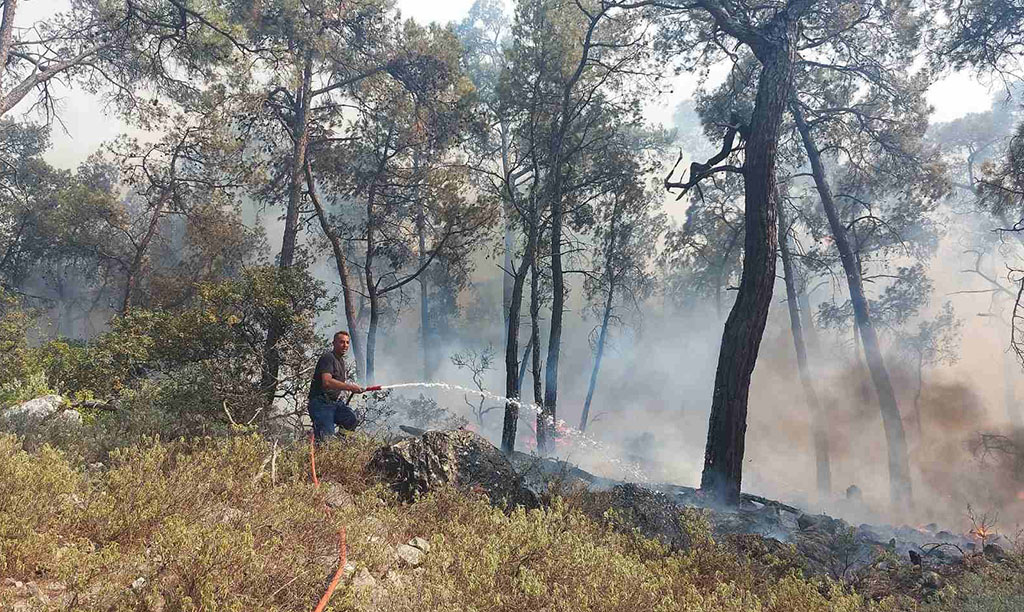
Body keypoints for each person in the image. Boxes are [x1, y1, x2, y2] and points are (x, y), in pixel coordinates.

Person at [308, 331, 365, 443]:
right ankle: (325, 450)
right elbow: (327, 382)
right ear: (334, 343)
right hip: (321, 404)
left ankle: (340, 444)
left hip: (334, 403)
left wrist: (354, 388)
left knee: (351, 419)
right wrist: (350, 387)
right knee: (325, 439)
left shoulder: (341, 361)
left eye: (347, 342)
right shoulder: (328, 358)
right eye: (342, 342)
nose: (345, 345)